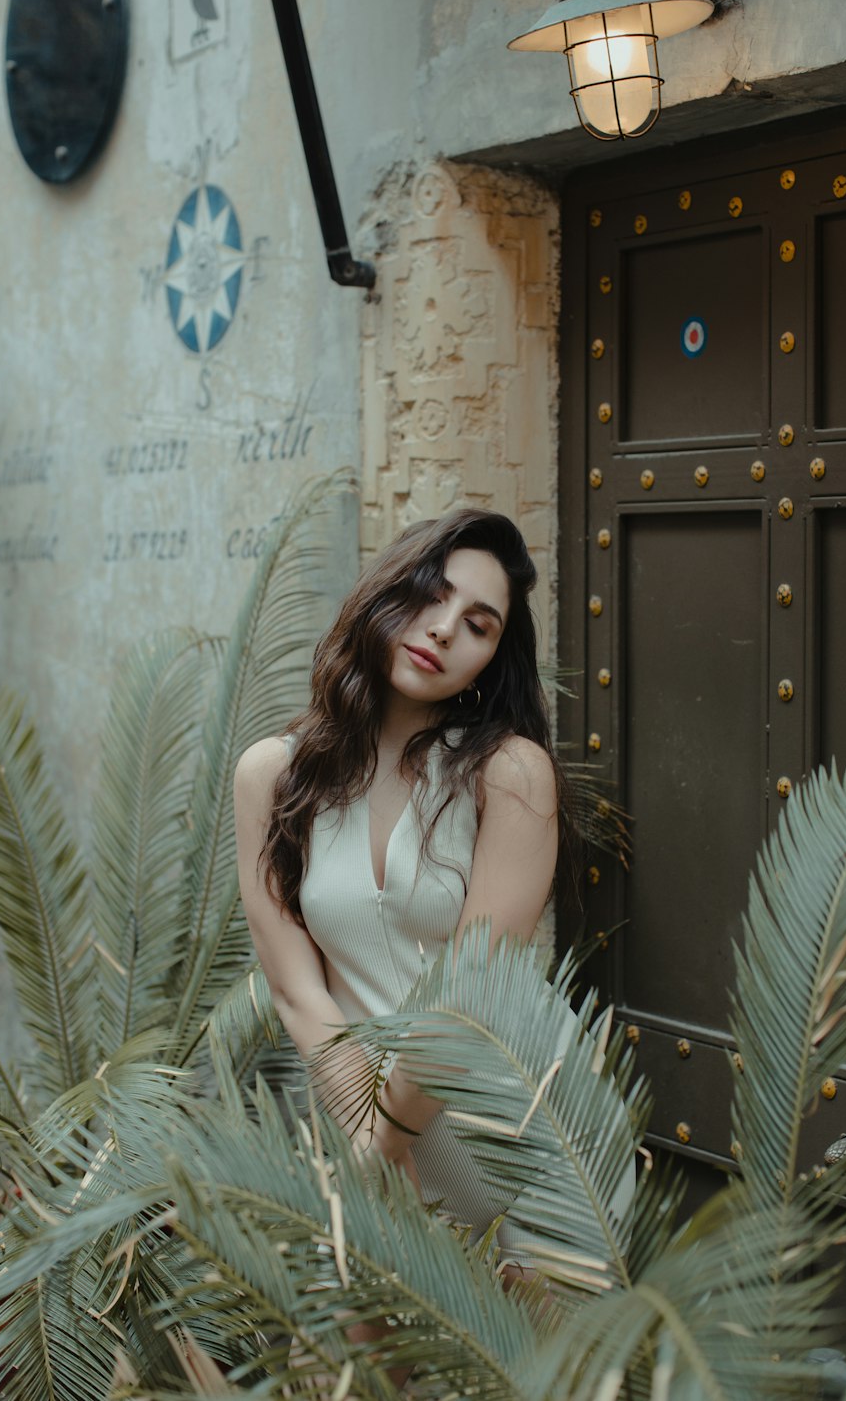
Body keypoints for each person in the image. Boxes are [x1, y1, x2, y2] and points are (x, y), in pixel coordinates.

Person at [234, 507, 578, 1236]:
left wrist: (387, 1144)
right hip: (359, 1123)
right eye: (430, 593)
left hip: (514, 1142)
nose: (446, 628)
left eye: (479, 624)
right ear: (385, 593)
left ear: (491, 658)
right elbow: (298, 991)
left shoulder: (508, 774)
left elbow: (467, 993)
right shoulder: (273, 775)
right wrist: (372, 1146)